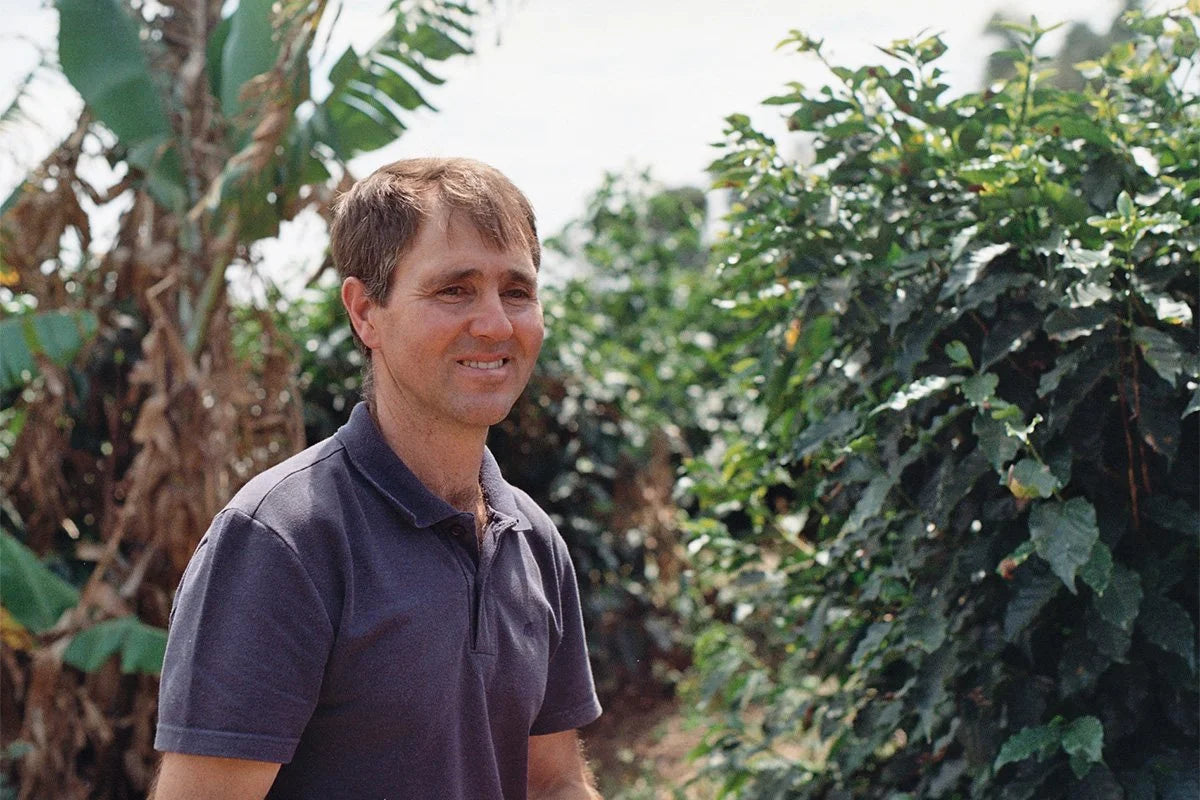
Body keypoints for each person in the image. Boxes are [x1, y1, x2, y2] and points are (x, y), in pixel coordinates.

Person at [151, 157, 603, 799]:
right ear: (366, 312)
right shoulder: (284, 541)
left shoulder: (531, 539)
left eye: (517, 291)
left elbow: (553, 783)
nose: (497, 324)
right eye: (454, 290)